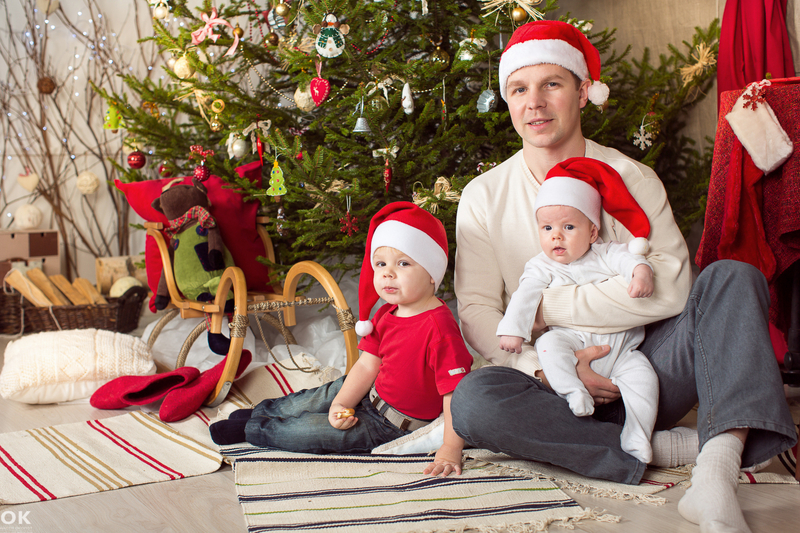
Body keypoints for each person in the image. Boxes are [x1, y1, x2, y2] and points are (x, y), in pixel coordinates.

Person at [452, 19, 796, 533]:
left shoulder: (633, 176)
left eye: (551, 84)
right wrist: (546, 369)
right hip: (550, 384)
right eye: (519, 89)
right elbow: (478, 308)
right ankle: (668, 448)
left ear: (582, 92)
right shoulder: (484, 195)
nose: (535, 103)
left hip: (646, 368)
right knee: (473, 400)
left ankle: (716, 474)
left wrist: (546, 310)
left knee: (732, 276)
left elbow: (671, 289)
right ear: (508, 100)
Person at [210, 202, 473, 478]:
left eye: (403, 263)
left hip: (390, 426)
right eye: (380, 264)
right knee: (313, 399)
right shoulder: (387, 312)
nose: (387, 273)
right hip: (371, 392)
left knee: (310, 432)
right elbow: (367, 365)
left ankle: (253, 429)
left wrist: (450, 447)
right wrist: (341, 403)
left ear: (432, 273)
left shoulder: (439, 328)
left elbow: (454, 395)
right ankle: (261, 412)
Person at [497, 156, 658, 464]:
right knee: (548, 344)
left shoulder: (605, 253)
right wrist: (513, 330)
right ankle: (573, 391)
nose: (556, 236)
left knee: (644, 378)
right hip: (573, 343)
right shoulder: (541, 265)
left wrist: (641, 272)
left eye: (568, 227)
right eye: (547, 228)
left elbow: (629, 258)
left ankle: (638, 434)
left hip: (622, 352)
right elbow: (524, 296)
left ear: (593, 232)